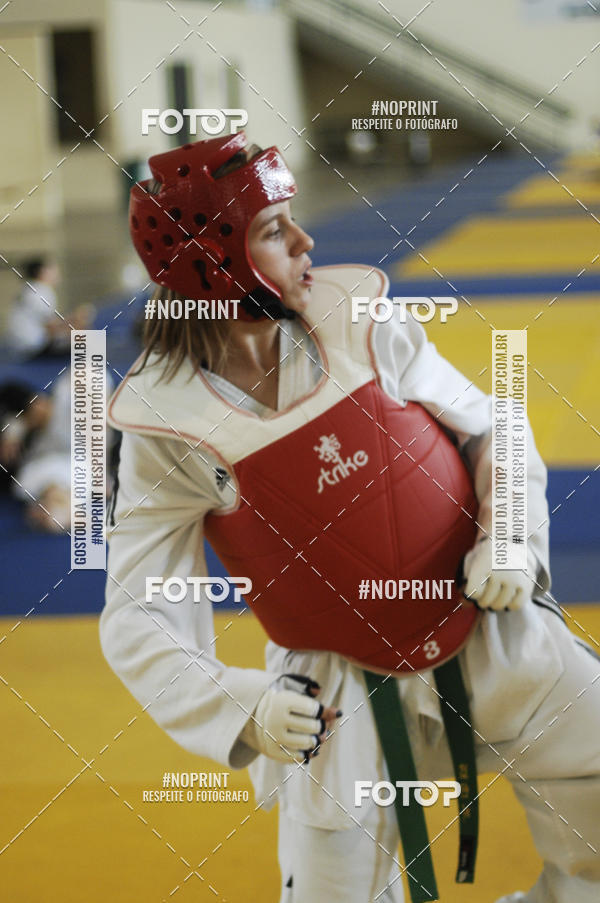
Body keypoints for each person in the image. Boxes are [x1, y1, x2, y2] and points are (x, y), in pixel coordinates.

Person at [100, 133, 600, 903]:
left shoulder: (363, 323)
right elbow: (137, 614)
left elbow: (491, 423)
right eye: (273, 230)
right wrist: (244, 709)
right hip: (335, 697)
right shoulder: (166, 427)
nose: (306, 243)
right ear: (210, 262)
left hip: (493, 627)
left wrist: (509, 534)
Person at [6, 257, 94, 358]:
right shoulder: (40, 291)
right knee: (84, 336)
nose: (56, 272)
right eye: (52, 268)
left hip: (21, 345)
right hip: (33, 346)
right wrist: (77, 319)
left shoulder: (30, 289)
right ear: (42, 272)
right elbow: (51, 327)